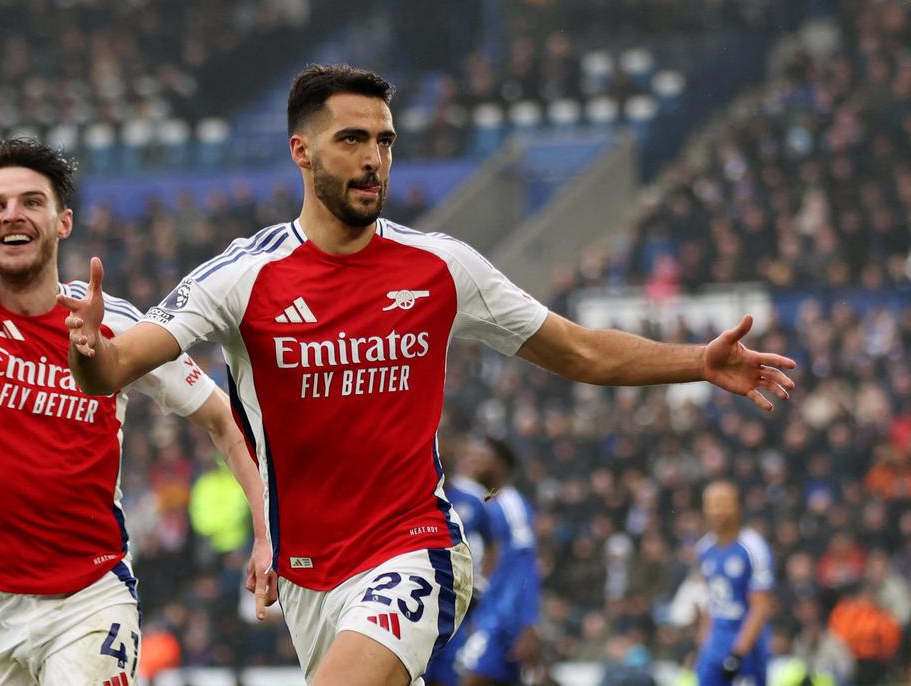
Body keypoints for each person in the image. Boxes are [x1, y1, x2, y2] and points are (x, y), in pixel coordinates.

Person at [60, 63, 797, 686]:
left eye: (384, 140)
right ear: (301, 152)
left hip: (416, 551)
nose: (374, 157)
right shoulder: (243, 277)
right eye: (351, 139)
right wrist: (91, 353)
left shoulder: (440, 266)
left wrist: (697, 361)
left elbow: (578, 350)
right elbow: (118, 367)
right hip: (309, 577)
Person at [0, 0, 274, 685]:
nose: (11, 215)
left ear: (62, 222)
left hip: (89, 598)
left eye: (30, 202)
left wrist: (267, 530)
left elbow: (219, 417)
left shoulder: (114, 325)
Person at [458, 437, 542, 686]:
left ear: (499, 465)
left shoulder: (511, 505)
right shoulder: (481, 501)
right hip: (480, 616)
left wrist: (527, 624)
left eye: (479, 457)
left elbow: (525, 566)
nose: (471, 461)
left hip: (500, 622)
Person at [426, 438, 493, 686]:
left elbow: (494, 540)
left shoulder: (473, 499)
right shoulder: (416, 498)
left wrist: (483, 579)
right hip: (423, 594)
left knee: (450, 671)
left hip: (460, 600)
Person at [695, 481, 776, 685]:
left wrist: (738, 653)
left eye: (723, 503)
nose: (716, 510)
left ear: (738, 507)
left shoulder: (753, 547)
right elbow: (709, 602)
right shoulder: (704, 548)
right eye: (711, 504)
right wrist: (703, 647)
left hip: (746, 644)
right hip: (715, 644)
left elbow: (761, 606)